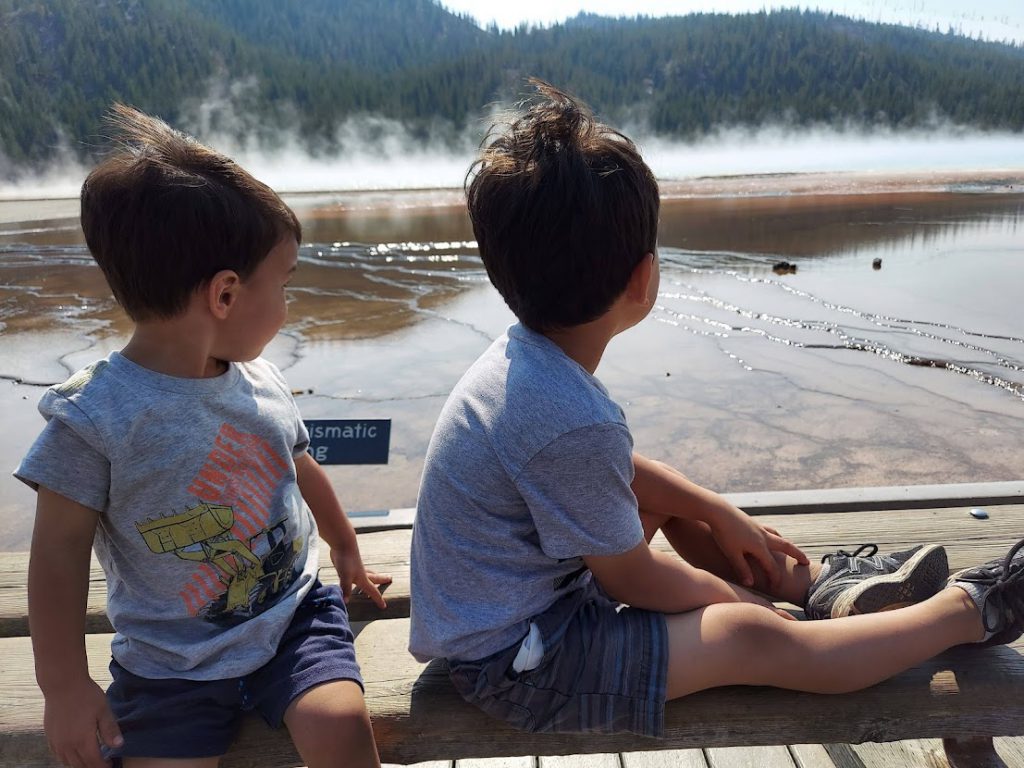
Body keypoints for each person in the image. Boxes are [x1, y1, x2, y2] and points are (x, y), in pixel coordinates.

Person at [408, 80, 1024, 737]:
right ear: (644, 279)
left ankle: (820, 586)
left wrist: (713, 507)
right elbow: (631, 581)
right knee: (749, 636)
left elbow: (612, 471)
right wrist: (737, 600)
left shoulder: (523, 363)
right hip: (521, 662)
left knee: (667, 500)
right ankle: (973, 608)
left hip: (527, 608)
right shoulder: (565, 411)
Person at [15, 104, 390, 768]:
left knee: (340, 729)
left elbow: (299, 465)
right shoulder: (94, 418)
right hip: (169, 667)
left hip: (290, 623)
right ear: (225, 295)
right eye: (285, 285)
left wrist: (345, 547)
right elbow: (56, 559)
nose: (288, 306)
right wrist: (64, 687)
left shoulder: (262, 382)